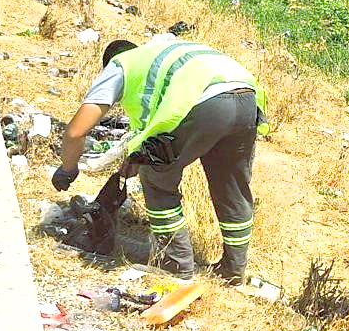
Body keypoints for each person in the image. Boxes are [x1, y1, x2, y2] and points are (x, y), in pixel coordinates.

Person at [53, 38, 267, 283]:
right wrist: (137, 158)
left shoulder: (119, 66)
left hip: (206, 102)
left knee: (157, 179)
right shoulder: (160, 57)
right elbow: (156, 132)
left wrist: (67, 169)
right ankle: (233, 270)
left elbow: (75, 132)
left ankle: (176, 264)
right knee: (232, 187)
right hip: (246, 97)